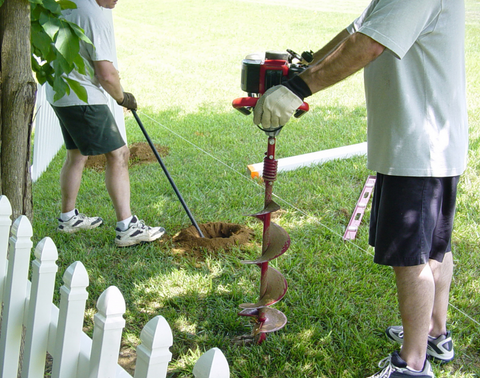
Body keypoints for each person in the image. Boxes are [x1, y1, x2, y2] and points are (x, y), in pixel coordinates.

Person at [253, 0, 468, 377]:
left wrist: (299, 88)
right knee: (435, 245)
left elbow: (368, 44)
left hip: (416, 147)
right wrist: (306, 63)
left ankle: (413, 365)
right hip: (431, 142)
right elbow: (357, 29)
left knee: (410, 258)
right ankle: (435, 332)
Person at [46, 0, 165, 247]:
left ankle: (68, 218)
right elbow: (106, 74)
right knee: (119, 154)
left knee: (76, 154)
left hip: (59, 92)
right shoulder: (94, 15)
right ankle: (127, 227)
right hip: (82, 95)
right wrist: (123, 98)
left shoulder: (71, 3)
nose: (117, 0)